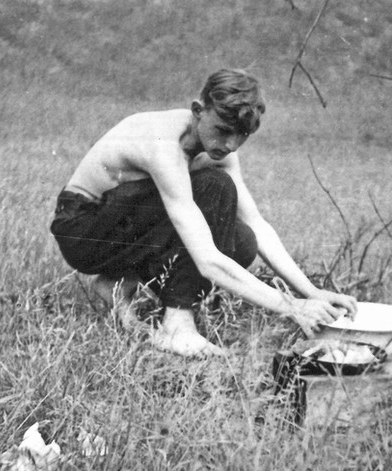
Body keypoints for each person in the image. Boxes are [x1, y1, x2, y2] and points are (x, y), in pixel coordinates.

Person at [50, 68, 357, 357]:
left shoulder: (217, 152)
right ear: (198, 110)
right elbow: (208, 260)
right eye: (223, 131)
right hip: (82, 229)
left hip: (122, 226)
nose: (231, 145)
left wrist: (312, 292)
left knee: (243, 239)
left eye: (241, 136)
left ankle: (118, 282)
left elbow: (257, 225)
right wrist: (292, 307)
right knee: (214, 186)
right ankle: (177, 325)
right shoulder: (163, 144)